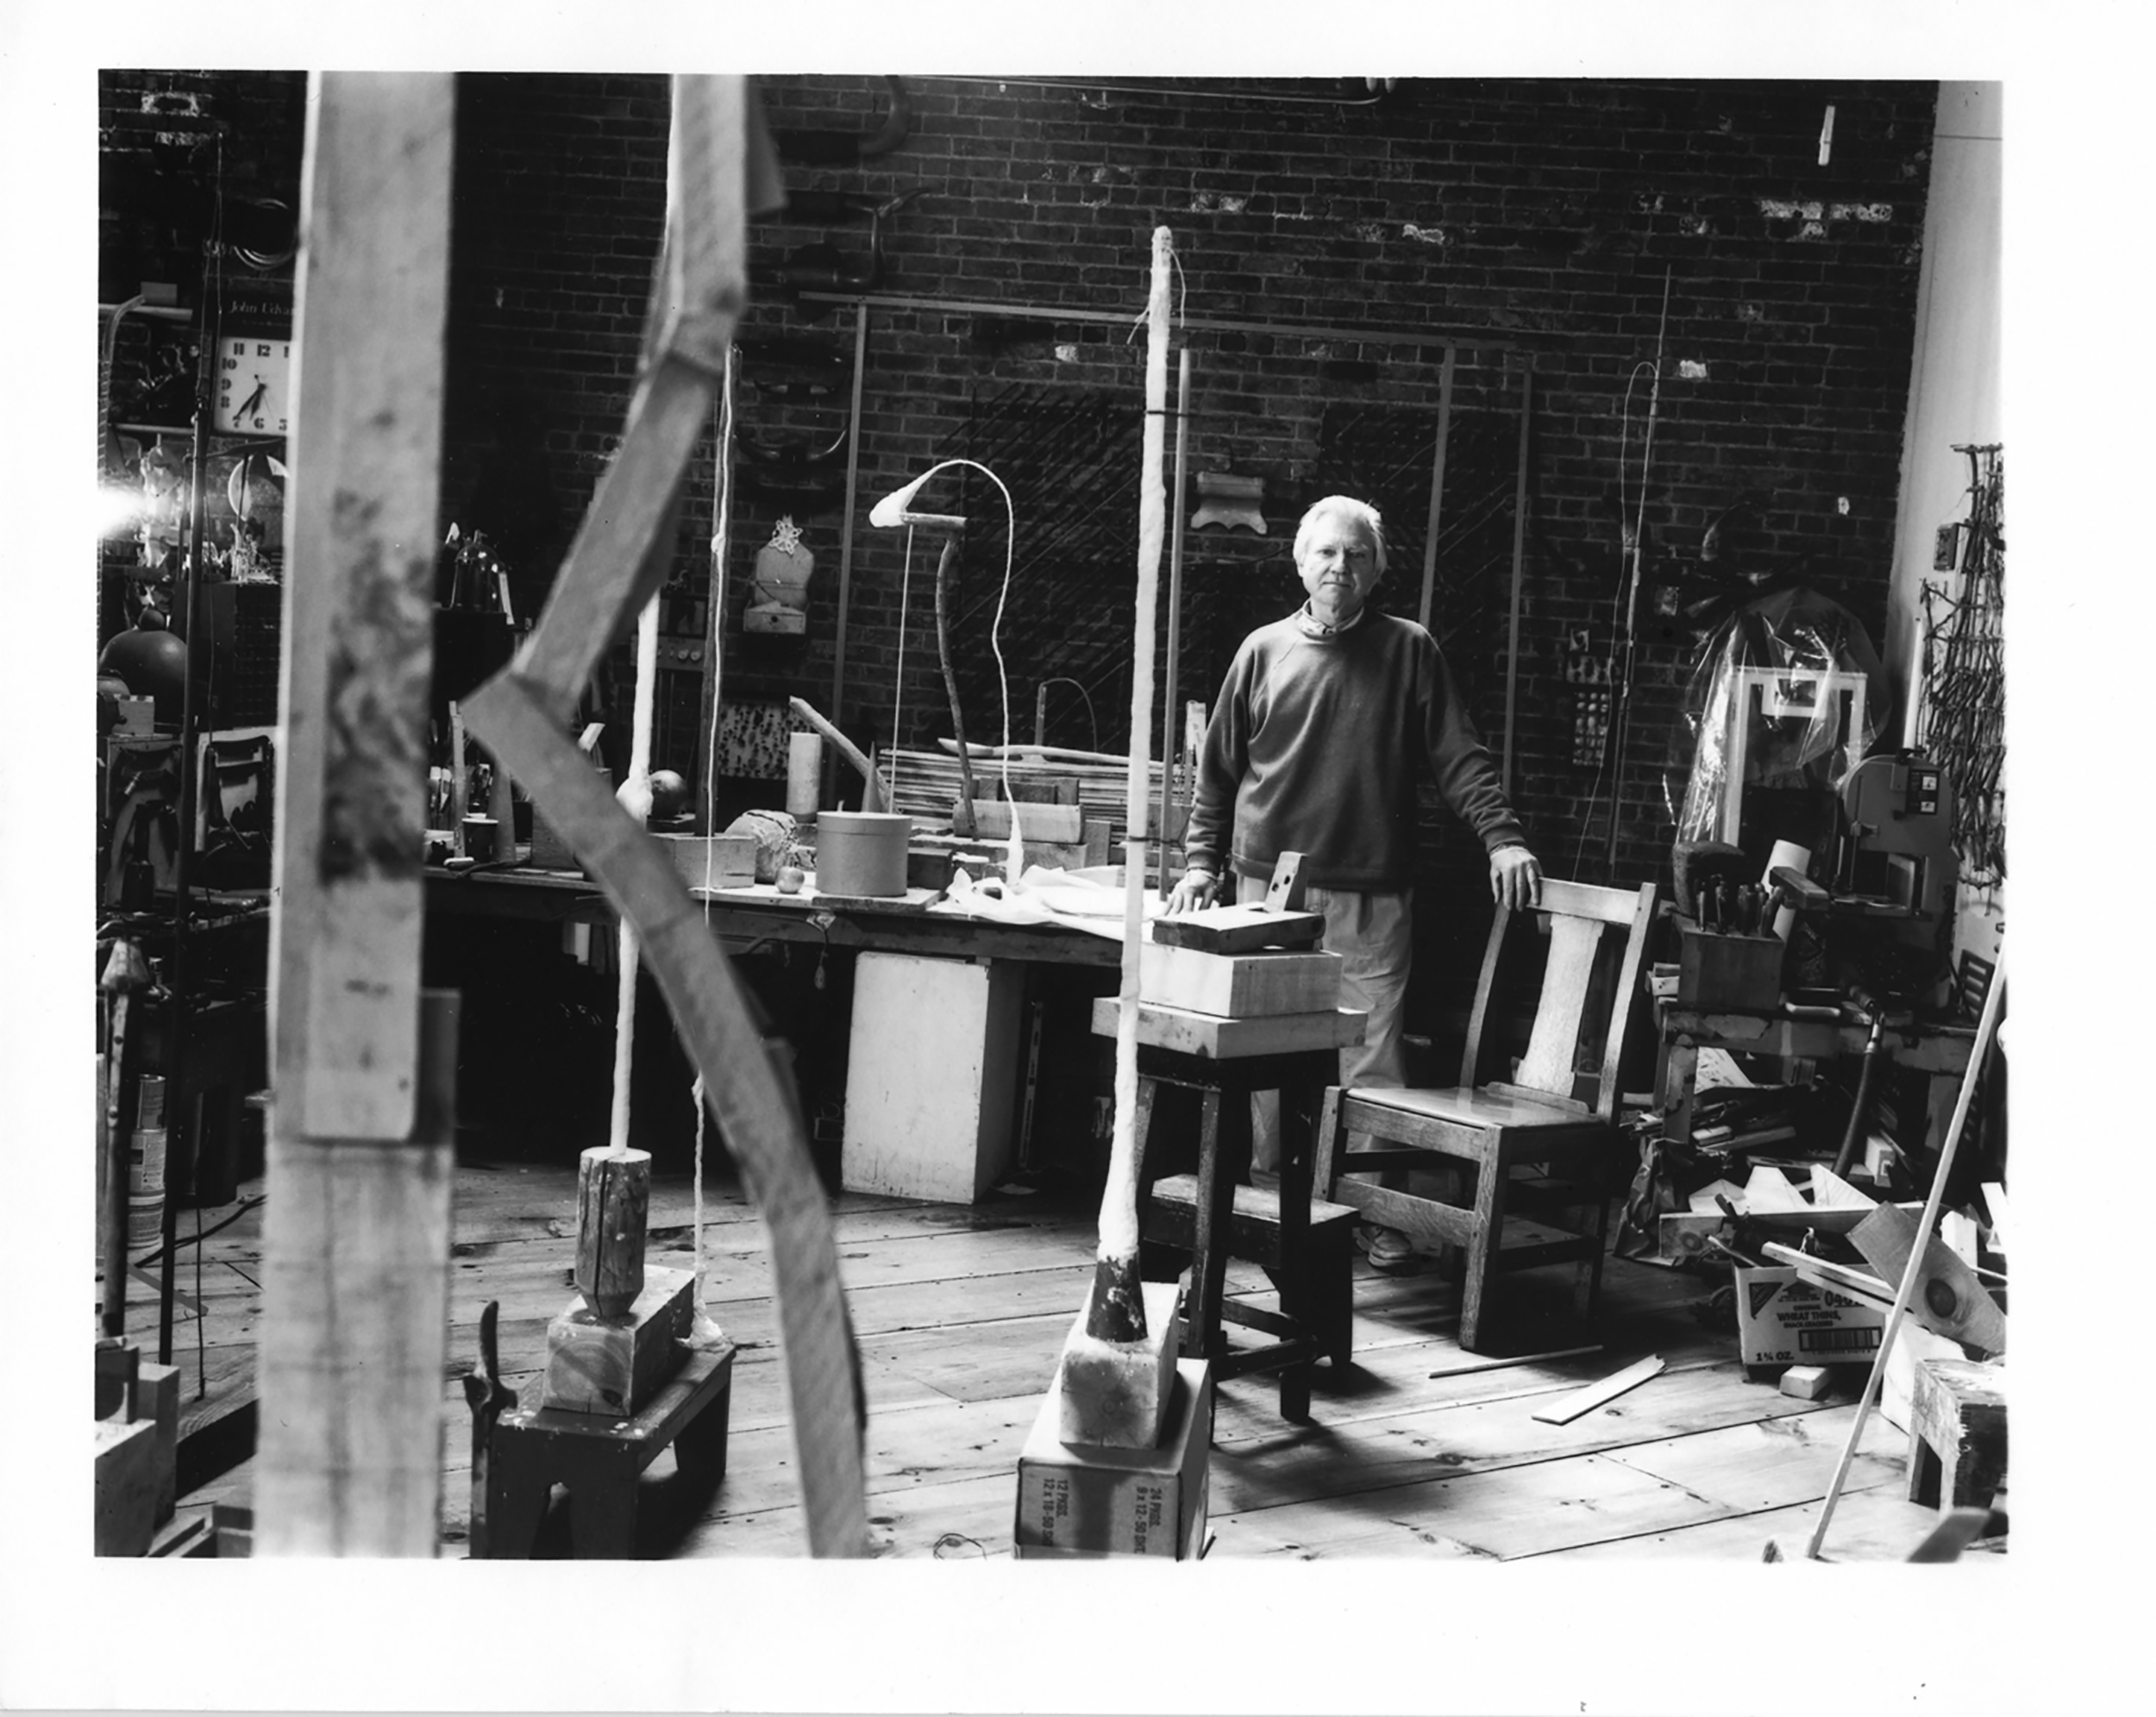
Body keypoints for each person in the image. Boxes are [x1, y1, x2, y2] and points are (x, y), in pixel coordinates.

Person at [1165, 494, 1544, 1271]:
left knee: (1371, 1060)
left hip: (1373, 892)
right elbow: (1217, 775)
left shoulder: (1410, 650)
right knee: (1264, 1056)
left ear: (1378, 569)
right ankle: (1272, 1207)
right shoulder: (1261, 651)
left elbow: (1460, 757)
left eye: (1358, 555)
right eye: (1329, 553)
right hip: (1264, 892)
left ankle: (1369, 1212)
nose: (1342, 567)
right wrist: (1202, 862)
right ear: (1300, 562)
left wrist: (1502, 838)